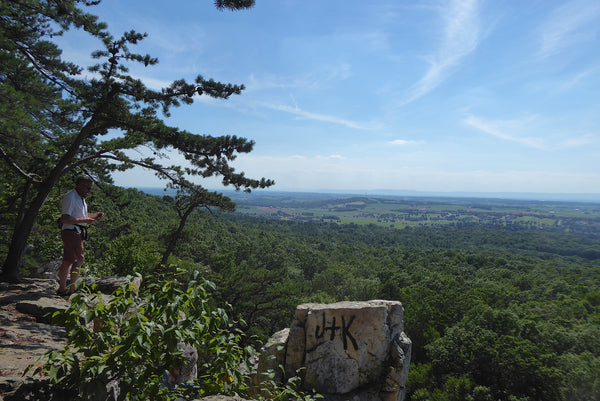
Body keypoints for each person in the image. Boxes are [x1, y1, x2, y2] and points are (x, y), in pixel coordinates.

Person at [57, 176, 104, 295]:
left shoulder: (80, 198)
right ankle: (67, 290)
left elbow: (81, 215)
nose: (89, 191)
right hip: (71, 231)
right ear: (80, 186)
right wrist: (85, 220)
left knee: (74, 260)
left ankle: (68, 289)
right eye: (88, 188)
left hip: (77, 231)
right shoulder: (70, 197)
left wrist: (94, 215)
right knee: (73, 259)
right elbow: (65, 219)